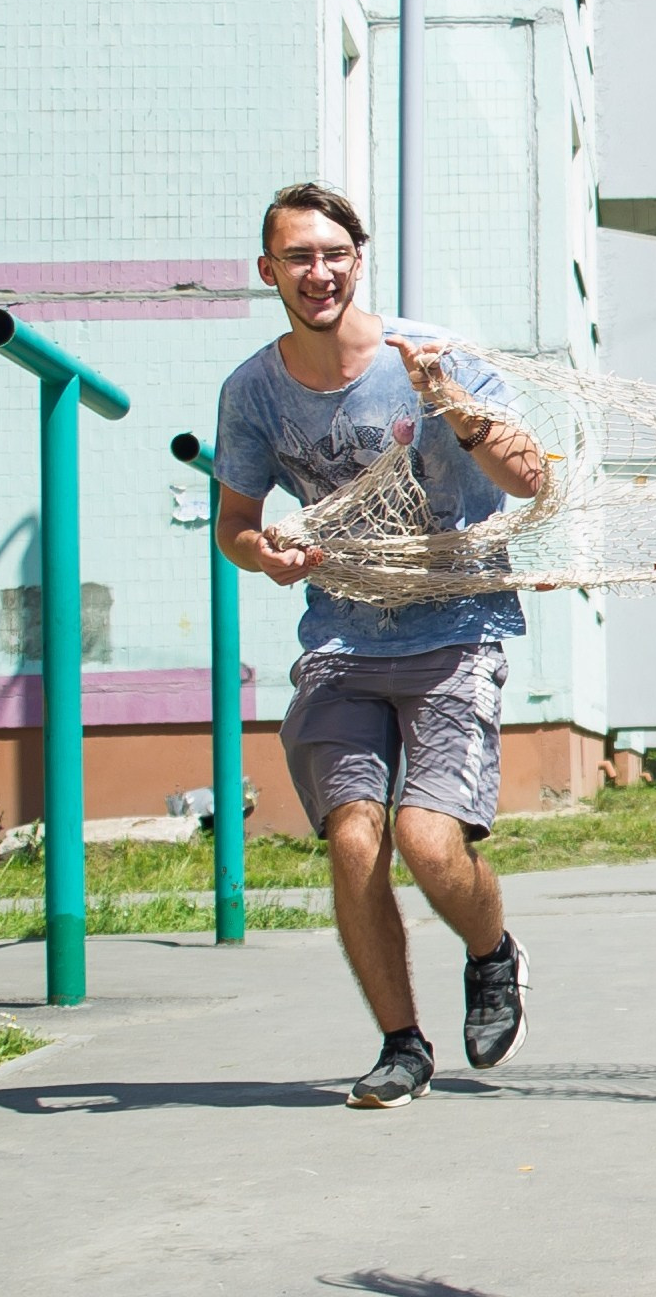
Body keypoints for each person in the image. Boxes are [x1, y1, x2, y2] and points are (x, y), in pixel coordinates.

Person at [213, 183, 550, 1110]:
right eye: (297, 257)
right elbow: (234, 524)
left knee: (426, 839)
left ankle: (492, 953)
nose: (317, 272)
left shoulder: (432, 357)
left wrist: (451, 402)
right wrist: (262, 554)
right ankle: (402, 1044)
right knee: (354, 839)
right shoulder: (252, 391)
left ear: (358, 261)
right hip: (340, 638)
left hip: (456, 629)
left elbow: (529, 478)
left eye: (333, 254)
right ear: (268, 270)